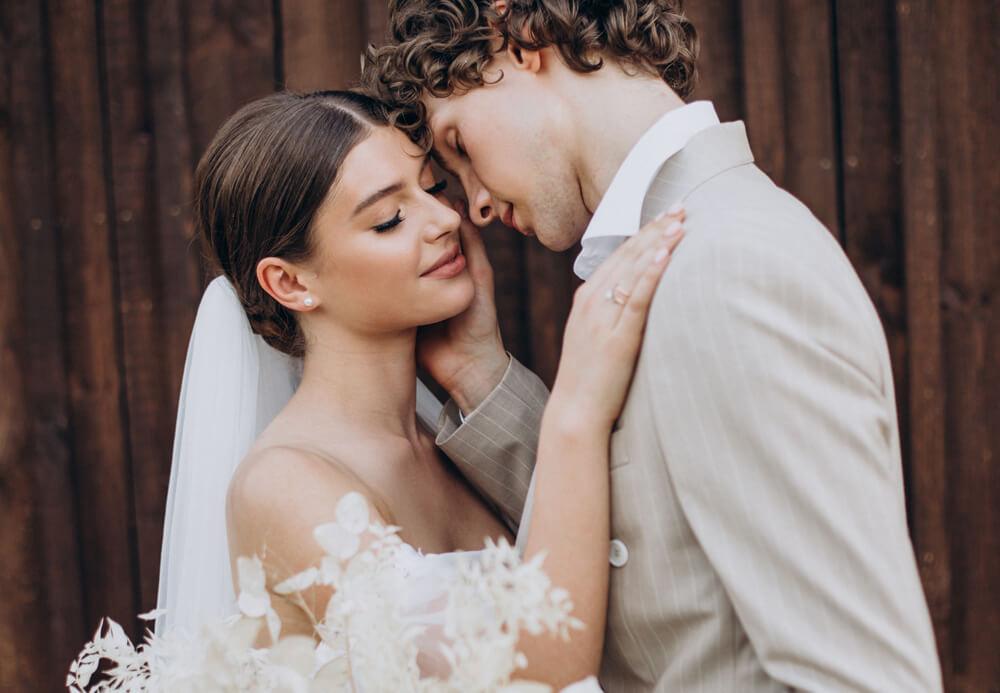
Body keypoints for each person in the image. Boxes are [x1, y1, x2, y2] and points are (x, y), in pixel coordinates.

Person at [361, 1, 944, 690]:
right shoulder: (675, 253)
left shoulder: (729, 269)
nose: (477, 203)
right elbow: (652, 559)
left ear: (516, 38)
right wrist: (481, 377)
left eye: (458, 144)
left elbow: (863, 675)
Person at [154, 89, 685, 689]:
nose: (446, 219)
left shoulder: (451, 439)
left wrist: (477, 369)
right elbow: (528, 677)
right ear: (291, 283)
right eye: (389, 219)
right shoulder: (285, 484)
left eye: (432, 188)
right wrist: (579, 409)